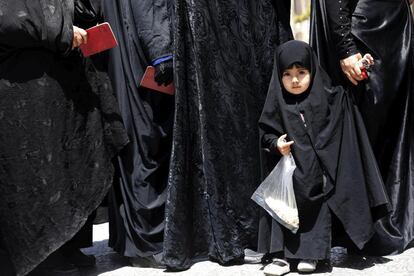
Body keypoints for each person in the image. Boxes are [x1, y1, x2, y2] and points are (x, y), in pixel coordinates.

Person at [162, 0, 293, 271]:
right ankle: (232, 228)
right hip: (212, 20)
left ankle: (265, 230)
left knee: (248, 103)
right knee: (216, 106)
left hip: (253, 21)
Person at [0, 0, 129, 275]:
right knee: (40, 172)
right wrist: (59, 29)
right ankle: (42, 256)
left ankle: (67, 244)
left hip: (62, 80)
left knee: (72, 162)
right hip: (24, 85)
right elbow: (9, 17)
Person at [257, 40, 389, 275]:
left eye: (301, 72)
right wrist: (276, 144)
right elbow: (266, 132)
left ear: (312, 71)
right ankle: (281, 257)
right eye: (287, 74)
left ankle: (313, 255)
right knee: (283, 210)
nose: (295, 80)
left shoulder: (324, 95)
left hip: (317, 174)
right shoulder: (277, 101)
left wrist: (361, 70)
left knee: (317, 208)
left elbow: (347, 99)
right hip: (290, 174)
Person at [310, 0, 414, 254]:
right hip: (362, 34)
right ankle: (359, 227)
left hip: (393, 31)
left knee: (392, 130)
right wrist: (345, 47)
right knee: (362, 130)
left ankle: (384, 220)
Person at [101, 0, 174, 266]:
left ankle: (128, 241)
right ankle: (146, 243)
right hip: (140, 57)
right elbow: (150, 11)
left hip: (115, 56)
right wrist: (164, 53)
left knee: (128, 144)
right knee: (145, 143)